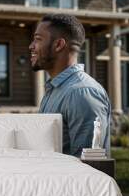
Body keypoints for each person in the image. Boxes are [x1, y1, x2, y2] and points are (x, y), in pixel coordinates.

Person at [29, 14, 111, 157]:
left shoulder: (82, 93)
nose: (31, 46)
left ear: (59, 45)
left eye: (38, 39)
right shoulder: (55, 90)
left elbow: (89, 167)